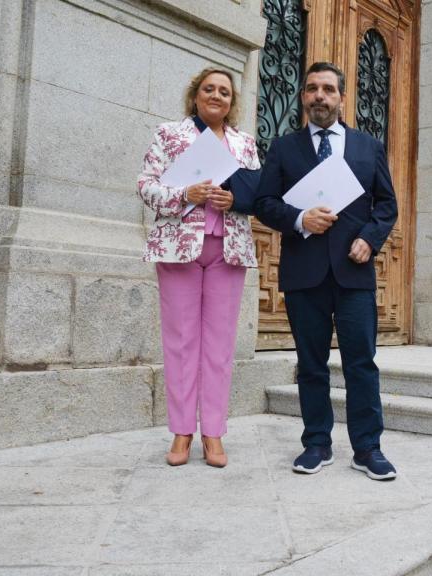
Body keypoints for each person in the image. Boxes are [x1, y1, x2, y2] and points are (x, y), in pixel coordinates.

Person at [254, 62, 399, 480]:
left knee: (361, 363)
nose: (320, 96)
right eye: (312, 89)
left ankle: (368, 448)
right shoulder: (284, 148)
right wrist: (300, 219)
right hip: (304, 272)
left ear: (341, 97)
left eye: (328, 90)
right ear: (303, 96)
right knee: (311, 364)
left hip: (354, 274)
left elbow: (386, 205)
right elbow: (265, 203)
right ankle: (316, 443)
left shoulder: (367, 147)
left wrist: (369, 240)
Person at [137, 67, 260, 467]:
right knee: (181, 342)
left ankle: (214, 434)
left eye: (225, 92)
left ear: (232, 102)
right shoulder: (170, 134)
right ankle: (181, 433)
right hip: (178, 248)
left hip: (229, 249)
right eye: (209, 89)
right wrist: (184, 193)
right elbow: (146, 185)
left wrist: (235, 200)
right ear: (196, 96)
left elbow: (256, 193)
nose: (217, 96)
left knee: (220, 348)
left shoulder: (245, 143)